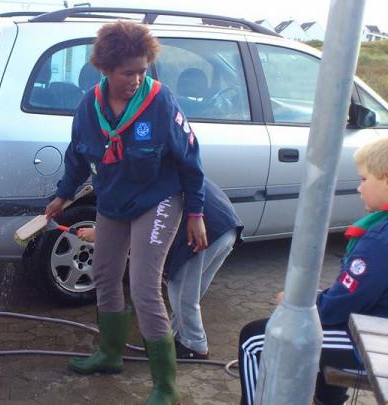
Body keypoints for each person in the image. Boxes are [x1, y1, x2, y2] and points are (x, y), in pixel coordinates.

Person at [44, 20, 207, 405]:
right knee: (104, 274)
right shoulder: (89, 106)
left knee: (145, 286)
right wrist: (61, 196)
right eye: (126, 72)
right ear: (106, 69)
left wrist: (196, 213)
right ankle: (109, 355)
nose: (135, 79)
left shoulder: (161, 103)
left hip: (159, 200)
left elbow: (190, 161)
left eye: (142, 70)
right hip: (114, 200)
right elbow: (78, 156)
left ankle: (165, 387)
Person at [238, 137, 388, 405]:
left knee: (255, 340)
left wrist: (301, 304)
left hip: (376, 342)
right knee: (315, 330)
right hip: (375, 324)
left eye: (364, 179)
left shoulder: (380, 238)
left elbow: (338, 308)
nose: (358, 188)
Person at [77, 178, 243, 360]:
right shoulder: (154, 167)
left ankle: (195, 345)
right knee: (188, 293)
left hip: (206, 230)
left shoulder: (131, 180)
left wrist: (99, 233)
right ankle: (169, 337)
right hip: (225, 226)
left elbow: (137, 219)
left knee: (181, 292)